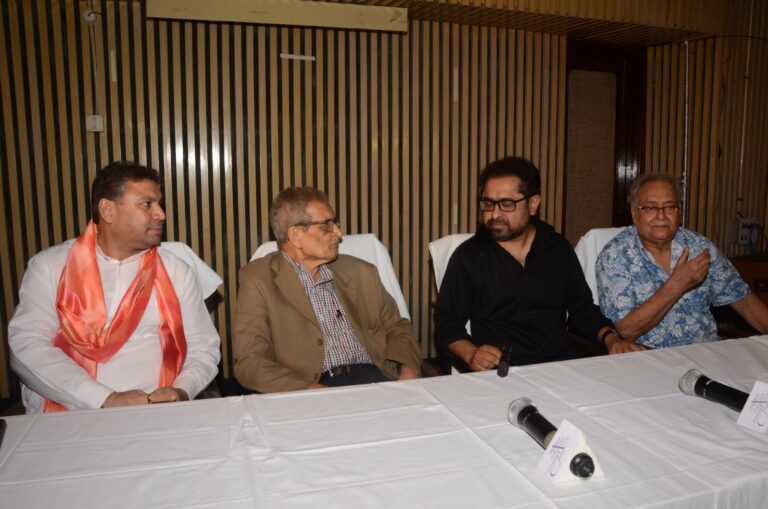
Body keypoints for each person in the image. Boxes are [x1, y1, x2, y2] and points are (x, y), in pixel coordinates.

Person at [8, 162, 221, 413]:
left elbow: (204, 347)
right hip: (72, 413)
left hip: (159, 413)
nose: (161, 214)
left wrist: (182, 390)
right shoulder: (51, 267)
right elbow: (27, 346)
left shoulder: (176, 271)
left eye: (159, 204)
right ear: (107, 210)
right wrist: (103, 399)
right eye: (147, 204)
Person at [435, 157, 642, 372]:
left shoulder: (557, 248)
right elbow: (447, 323)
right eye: (488, 204)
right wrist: (472, 354)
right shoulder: (469, 257)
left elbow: (582, 308)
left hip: (561, 365)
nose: (494, 214)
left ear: (533, 204)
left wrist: (611, 339)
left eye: (506, 204)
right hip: (502, 372)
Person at [234, 186, 421, 393]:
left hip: (377, 378)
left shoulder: (361, 272)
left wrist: (408, 368)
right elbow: (249, 362)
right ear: (295, 235)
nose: (338, 233)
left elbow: (398, 327)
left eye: (335, 223)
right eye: (327, 225)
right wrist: (311, 390)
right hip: (311, 388)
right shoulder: (259, 279)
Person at [596, 174, 768, 348]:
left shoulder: (699, 247)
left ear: (679, 211)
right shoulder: (616, 255)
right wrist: (677, 285)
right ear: (634, 213)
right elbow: (627, 329)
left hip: (706, 351)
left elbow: (744, 301)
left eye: (669, 207)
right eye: (650, 208)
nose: (661, 215)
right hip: (650, 358)